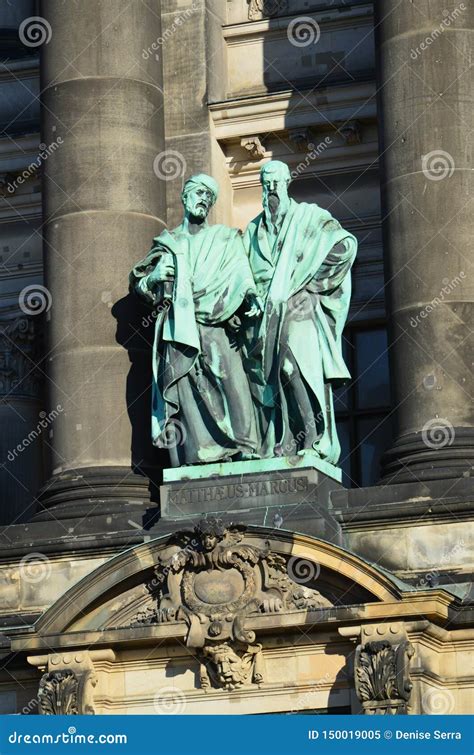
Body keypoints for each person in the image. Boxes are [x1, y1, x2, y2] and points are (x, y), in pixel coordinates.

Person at [130, 174, 262, 466]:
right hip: (179, 327)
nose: (203, 199)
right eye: (199, 193)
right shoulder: (167, 243)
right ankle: (200, 453)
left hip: (217, 322)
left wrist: (250, 295)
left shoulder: (225, 237)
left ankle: (245, 446)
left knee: (234, 382)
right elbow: (142, 284)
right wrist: (153, 278)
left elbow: (241, 272)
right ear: (185, 197)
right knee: (189, 390)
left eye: (209, 196)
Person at [242, 160, 357, 464]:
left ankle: (312, 434)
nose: (271, 189)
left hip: (299, 306)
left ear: (287, 182)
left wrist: (308, 281)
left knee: (292, 366)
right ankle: (287, 439)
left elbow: (344, 246)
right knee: (271, 373)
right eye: (265, 183)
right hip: (265, 316)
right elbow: (242, 275)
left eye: (276, 182)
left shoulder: (309, 217)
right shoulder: (252, 231)